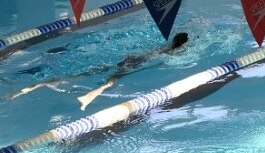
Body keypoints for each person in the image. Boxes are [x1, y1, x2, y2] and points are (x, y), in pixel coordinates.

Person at [8, 32, 189, 110]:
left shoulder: (163, 46)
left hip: (129, 59)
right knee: (110, 81)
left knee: (78, 74)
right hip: (133, 64)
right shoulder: (172, 51)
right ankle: (87, 98)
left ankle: (27, 88)